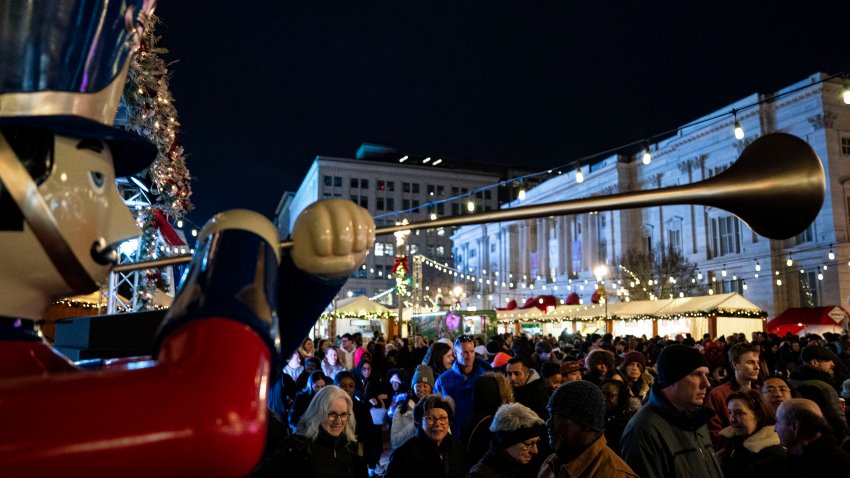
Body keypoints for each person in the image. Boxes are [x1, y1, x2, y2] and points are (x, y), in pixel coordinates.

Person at [0, 2, 376, 475]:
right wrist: (237, 246)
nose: (123, 224)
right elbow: (217, 410)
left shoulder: (32, 368)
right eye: (98, 183)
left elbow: (225, 376)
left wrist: (308, 283)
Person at [620, 344, 723, 477]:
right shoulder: (643, 431)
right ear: (672, 379)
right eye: (696, 374)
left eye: (706, 375)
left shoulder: (697, 418)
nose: (707, 383)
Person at [251, 385, 368, 478]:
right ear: (318, 413)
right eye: (332, 414)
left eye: (343, 415)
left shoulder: (353, 448)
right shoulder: (296, 447)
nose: (338, 421)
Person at [540, 381, 638, 478]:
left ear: (586, 423)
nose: (548, 423)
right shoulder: (550, 464)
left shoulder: (616, 474)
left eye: (558, 416)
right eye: (550, 414)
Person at [384, 394, 466, 478]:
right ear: (419, 422)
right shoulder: (402, 456)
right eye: (430, 418)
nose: (437, 424)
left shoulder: (457, 446)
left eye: (443, 418)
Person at [717, 389, 785, 477]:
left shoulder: (772, 456)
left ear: (759, 415)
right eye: (730, 413)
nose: (732, 419)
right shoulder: (730, 443)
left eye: (739, 413)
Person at [706, 342, 762, 449]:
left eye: (757, 362)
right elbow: (714, 433)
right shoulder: (718, 394)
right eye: (750, 362)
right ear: (735, 364)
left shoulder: (760, 392)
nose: (757, 367)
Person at [467, 403, 546, 478]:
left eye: (537, 442)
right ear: (509, 441)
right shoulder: (481, 474)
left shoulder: (525, 467)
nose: (535, 451)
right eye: (529, 443)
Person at [776, 398, 850, 477]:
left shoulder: (841, 466)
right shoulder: (795, 456)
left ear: (794, 427)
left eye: (778, 422)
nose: (775, 428)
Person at [434, 335, 492, 436]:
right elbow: (436, 409)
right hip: (454, 435)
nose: (469, 356)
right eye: (465, 352)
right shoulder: (443, 380)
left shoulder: (487, 376)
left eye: (472, 351)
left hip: (481, 434)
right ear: (455, 354)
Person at [335, 371, 383, 477]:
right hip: (337, 456)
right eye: (342, 386)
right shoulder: (330, 408)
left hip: (359, 455)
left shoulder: (361, 407)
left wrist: (371, 459)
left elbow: (370, 433)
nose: (347, 389)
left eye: (351, 386)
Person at [788, 344, 847, 427]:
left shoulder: (791, 381)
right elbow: (837, 418)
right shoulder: (823, 386)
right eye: (828, 361)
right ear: (814, 362)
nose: (832, 364)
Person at [391, 364, 435, 450]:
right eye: (418, 385)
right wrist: (416, 423)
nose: (421, 389)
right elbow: (395, 441)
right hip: (408, 456)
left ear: (431, 388)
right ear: (413, 386)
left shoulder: (437, 408)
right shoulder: (401, 409)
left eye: (425, 386)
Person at [599, 379, 634, 453]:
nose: (604, 398)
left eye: (609, 395)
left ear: (621, 397)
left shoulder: (626, 420)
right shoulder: (599, 413)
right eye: (602, 394)